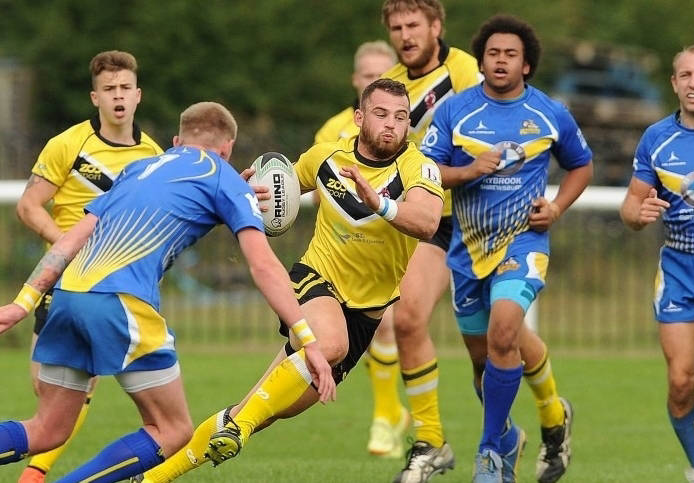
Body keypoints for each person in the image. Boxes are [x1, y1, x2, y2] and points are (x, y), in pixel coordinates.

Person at [0, 101, 335, 482]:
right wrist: (308, 340)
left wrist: (22, 303)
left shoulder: (138, 169)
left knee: (47, 429)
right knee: (173, 430)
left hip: (68, 295)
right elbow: (264, 267)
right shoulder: (222, 177)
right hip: (120, 302)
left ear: (177, 141)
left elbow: (69, 241)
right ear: (227, 148)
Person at [134, 78, 445, 483]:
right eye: (381, 114)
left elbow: (427, 221)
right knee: (330, 344)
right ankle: (239, 429)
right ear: (359, 118)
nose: (391, 124)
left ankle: (154, 478)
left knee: (260, 411)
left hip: (366, 312)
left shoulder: (420, 167)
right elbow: (278, 190)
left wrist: (380, 204)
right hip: (316, 280)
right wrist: (247, 192)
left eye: (401, 117)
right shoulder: (326, 157)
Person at [381, 3, 574, 482]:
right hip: (432, 220)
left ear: (436, 27)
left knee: (505, 333)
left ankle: (547, 416)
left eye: (413, 25)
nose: (405, 35)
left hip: (484, 221)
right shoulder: (391, 83)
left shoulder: (469, 70)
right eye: (396, 27)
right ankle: (431, 440)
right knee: (410, 320)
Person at [13, 50, 164, 483]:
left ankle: (35, 475)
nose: (118, 96)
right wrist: (69, 246)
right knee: (46, 390)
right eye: (109, 89)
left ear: (138, 95)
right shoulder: (69, 144)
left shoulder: (152, 156)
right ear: (95, 97)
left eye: (125, 88)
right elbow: (29, 206)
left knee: (80, 390)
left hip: (116, 288)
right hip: (62, 281)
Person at [620, 43, 694, 483]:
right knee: (681, 384)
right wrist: (638, 214)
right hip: (679, 269)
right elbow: (630, 206)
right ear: (674, 83)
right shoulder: (657, 138)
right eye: (686, 75)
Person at [315, 40, 411, 459]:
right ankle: (389, 414)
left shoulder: (403, 134)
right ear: (357, 82)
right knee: (345, 336)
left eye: (384, 74)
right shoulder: (331, 132)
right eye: (370, 76)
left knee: (387, 326)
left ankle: (386, 417)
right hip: (342, 251)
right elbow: (314, 187)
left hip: (391, 245)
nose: (377, 80)